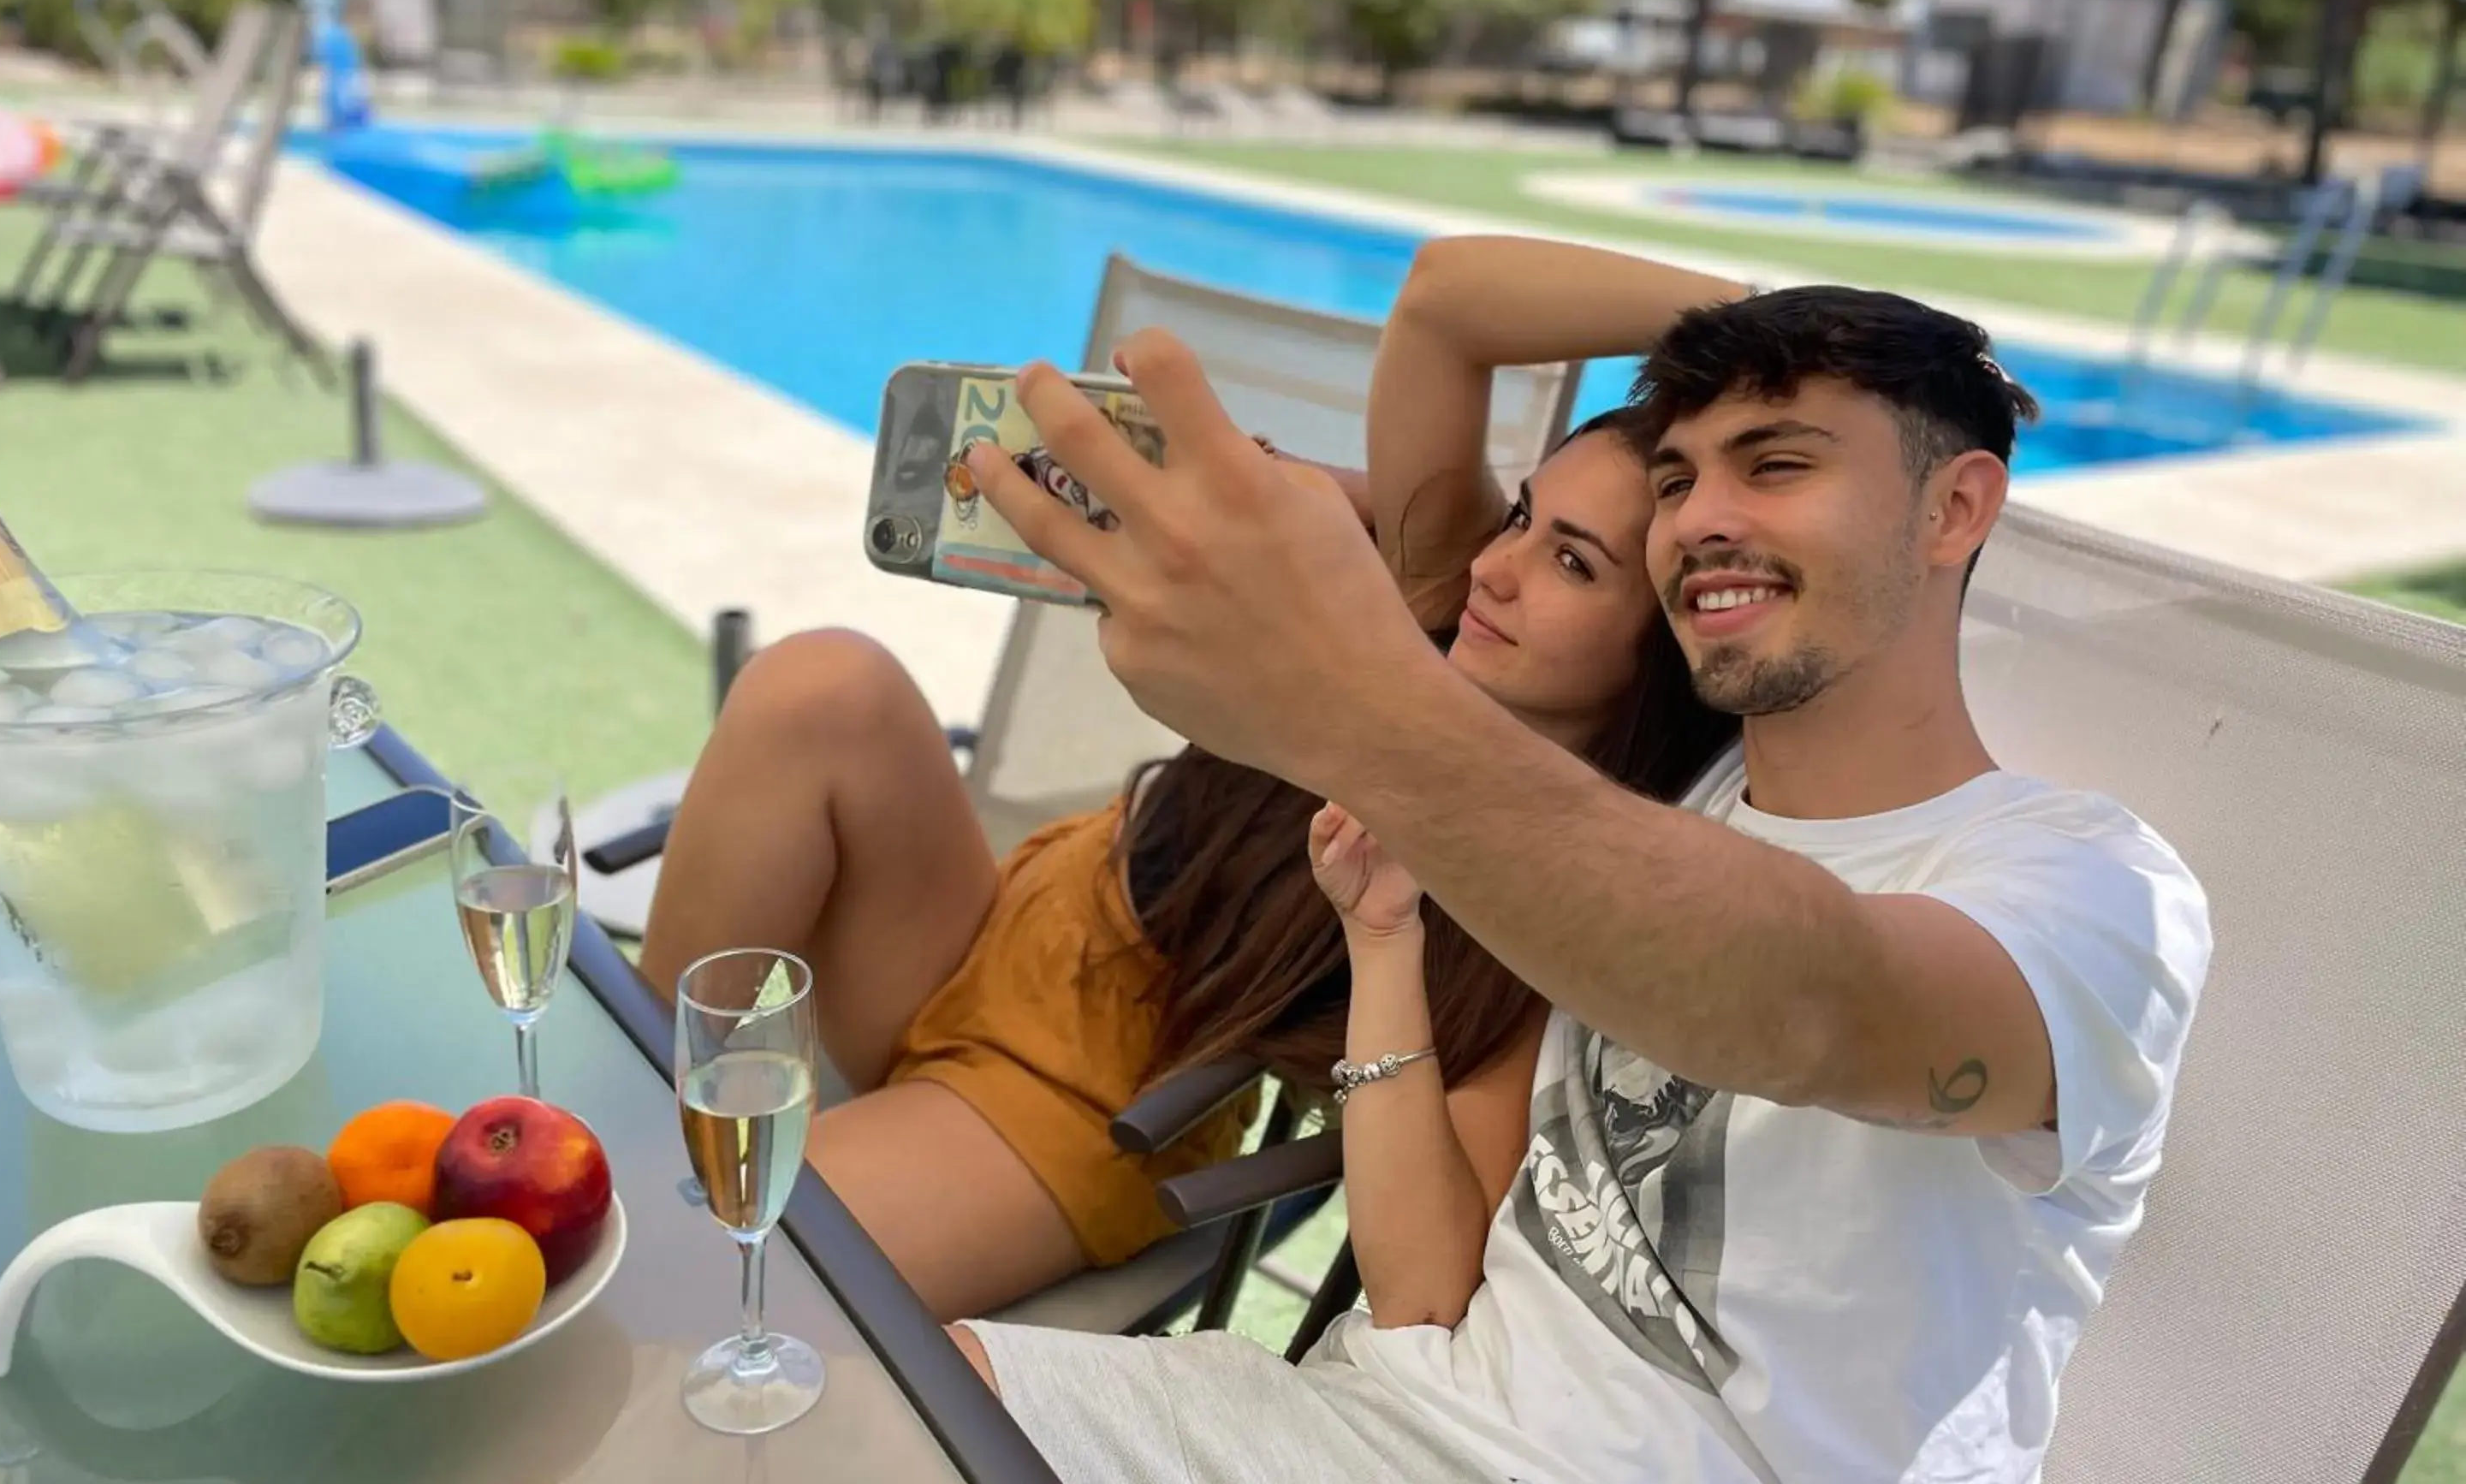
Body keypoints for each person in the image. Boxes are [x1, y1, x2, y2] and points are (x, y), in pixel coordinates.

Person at [952, 240, 2214, 1484]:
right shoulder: (1635, 819)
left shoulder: (2092, 892)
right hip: (1384, 1444)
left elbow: (1808, 1003)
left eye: (1779, 463)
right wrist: (1384, 932)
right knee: (855, 1420)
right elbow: (1427, 1283)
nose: (1703, 520)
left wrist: (1350, 705)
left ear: (1957, 507)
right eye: (1677, 481)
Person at [638, 239, 1738, 1321]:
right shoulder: (1428, 599)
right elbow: (1446, 299)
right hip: (997, 923)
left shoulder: (1564, 873)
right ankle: (618, 1100)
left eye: (1573, 561)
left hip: (1093, 1097)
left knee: (701, 1272)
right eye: (1519, 516)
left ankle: (617, 1198)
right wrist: (1781, 330)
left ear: (1660, 659)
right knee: (821, 683)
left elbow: (1441, 1257)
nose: (1498, 565)